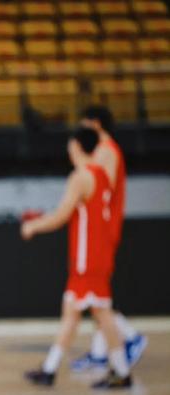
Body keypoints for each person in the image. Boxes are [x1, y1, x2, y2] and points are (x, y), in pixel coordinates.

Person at [22, 127, 132, 389]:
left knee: (95, 314)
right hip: (98, 255)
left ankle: (119, 372)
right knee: (83, 313)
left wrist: (34, 225)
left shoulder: (81, 177)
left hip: (87, 259)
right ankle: (51, 369)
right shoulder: (102, 174)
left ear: (78, 146)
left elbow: (61, 215)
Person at [70, 106, 147, 371]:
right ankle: (100, 352)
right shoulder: (103, 151)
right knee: (95, 297)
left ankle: (130, 337)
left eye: (85, 123)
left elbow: (101, 187)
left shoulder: (107, 151)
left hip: (103, 230)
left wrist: (78, 162)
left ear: (96, 123)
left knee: (96, 297)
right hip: (100, 229)